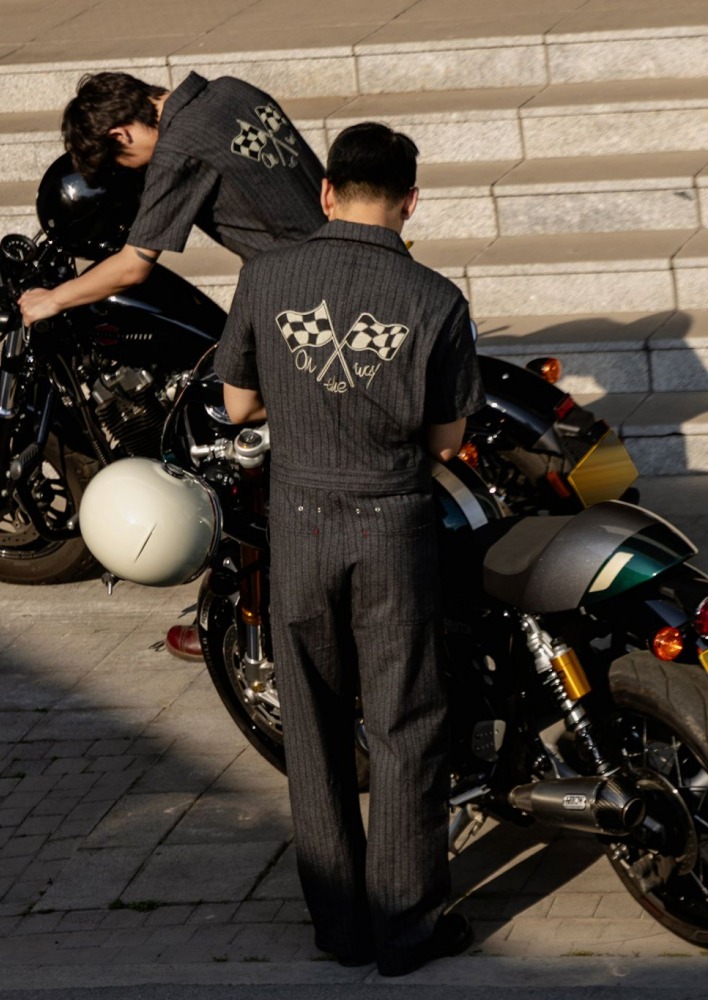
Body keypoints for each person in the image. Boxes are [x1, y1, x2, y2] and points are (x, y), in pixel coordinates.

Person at [212, 122, 486, 978]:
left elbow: (238, 406)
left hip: (298, 523)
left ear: (326, 192)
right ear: (412, 202)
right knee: (405, 723)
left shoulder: (267, 276)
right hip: (392, 528)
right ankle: (407, 931)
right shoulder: (436, 299)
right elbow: (446, 440)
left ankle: (340, 927)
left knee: (315, 724)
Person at [18, 70, 326, 661]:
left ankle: (247, 604)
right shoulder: (230, 92)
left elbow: (135, 265)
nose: (130, 172)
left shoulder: (180, 145)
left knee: (224, 427)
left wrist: (53, 298)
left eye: (122, 163)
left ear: (122, 133)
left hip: (301, 293)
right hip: (340, 253)